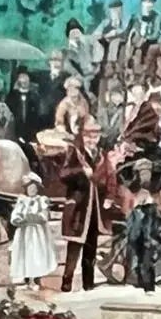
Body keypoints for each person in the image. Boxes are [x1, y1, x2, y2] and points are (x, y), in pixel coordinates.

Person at [58, 118, 109, 293]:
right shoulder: (75, 153)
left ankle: (89, 283)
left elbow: (108, 177)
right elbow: (63, 174)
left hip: (95, 208)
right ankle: (67, 281)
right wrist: (81, 172)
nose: (92, 139)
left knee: (91, 247)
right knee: (74, 246)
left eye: (95, 136)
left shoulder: (101, 155)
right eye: (88, 136)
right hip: (78, 207)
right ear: (83, 136)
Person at [8, 177, 58, 290]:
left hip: (37, 233)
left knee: (36, 254)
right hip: (24, 232)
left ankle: (36, 279)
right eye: (30, 188)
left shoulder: (41, 201)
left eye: (34, 188)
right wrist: (19, 219)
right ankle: (26, 278)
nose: (32, 190)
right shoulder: (22, 201)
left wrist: (35, 217)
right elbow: (15, 216)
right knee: (25, 254)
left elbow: (44, 216)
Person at [124, 160, 161, 293]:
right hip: (138, 218)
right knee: (138, 249)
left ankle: (147, 284)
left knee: (146, 252)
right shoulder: (135, 188)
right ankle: (140, 280)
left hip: (146, 220)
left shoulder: (152, 191)